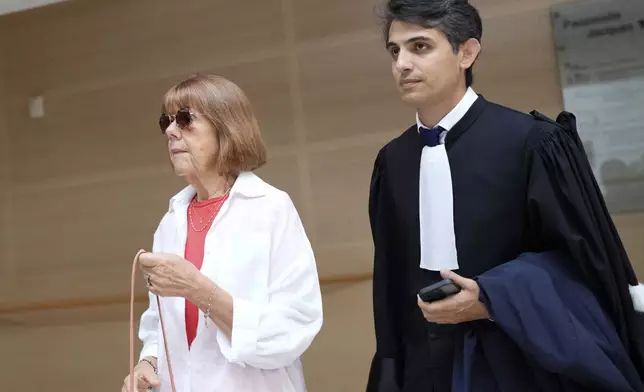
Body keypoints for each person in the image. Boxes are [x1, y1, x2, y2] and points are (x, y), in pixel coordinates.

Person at [366, 0, 644, 391]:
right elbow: (389, 286)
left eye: (420, 46)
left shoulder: (534, 143)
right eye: (395, 51)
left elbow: (587, 265)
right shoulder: (392, 162)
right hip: (424, 371)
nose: (402, 64)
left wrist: (495, 297)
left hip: (520, 364)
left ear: (467, 52)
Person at [120, 74, 323, 392]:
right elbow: (159, 324)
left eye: (186, 119)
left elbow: (294, 326)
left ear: (225, 128)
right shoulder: (169, 223)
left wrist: (198, 289)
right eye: (166, 121)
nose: (171, 131)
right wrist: (148, 364)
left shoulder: (270, 208)